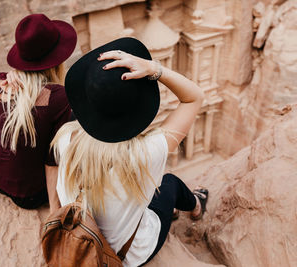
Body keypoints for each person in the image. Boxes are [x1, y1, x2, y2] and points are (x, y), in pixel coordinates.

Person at [47, 37, 208, 266]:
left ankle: (185, 207)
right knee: (169, 183)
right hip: (128, 256)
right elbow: (194, 97)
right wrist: (154, 69)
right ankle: (196, 206)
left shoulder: (65, 137)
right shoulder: (146, 154)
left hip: (77, 240)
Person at [0, 14, 77, 209]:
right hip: (30, 196)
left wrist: (15, 73)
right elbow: (54, 159)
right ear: (57, 60)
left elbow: (12, 84)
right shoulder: (60, 98)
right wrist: (54, 209)